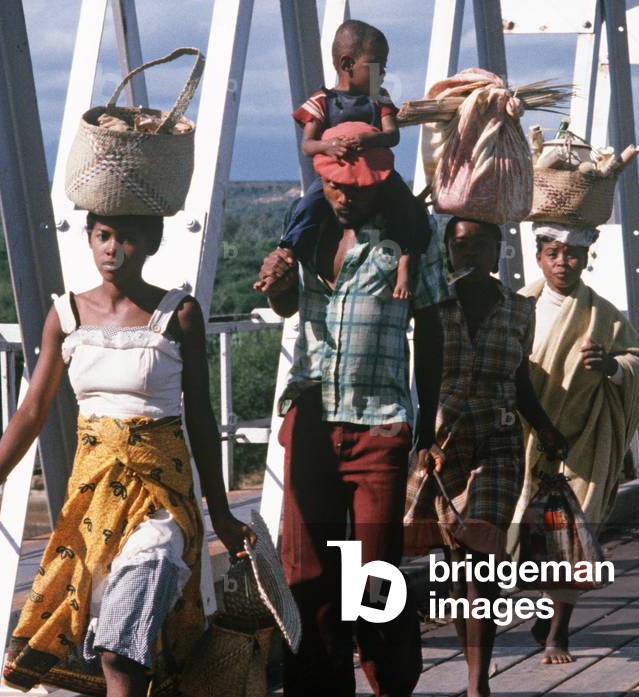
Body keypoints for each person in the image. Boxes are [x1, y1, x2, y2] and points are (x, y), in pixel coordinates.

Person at [0, 213, 254, 697]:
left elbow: (200, 417)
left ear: (152, 242)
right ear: (90, 240)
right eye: (103, 236)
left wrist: (219, 512)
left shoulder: (179, 314)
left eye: (127, 238)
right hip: (93, 503)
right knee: (116, 650)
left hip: (161, 502)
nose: (112, 249)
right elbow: (32, 409)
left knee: (120, 647)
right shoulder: (66, 316)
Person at [255, 131, 447, 697]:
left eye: (355, 189)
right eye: (333, 185)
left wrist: (428, 422)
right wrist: (278, 285)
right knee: (306, 574)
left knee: (374, 577)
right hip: (312, 420)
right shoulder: (307, 235)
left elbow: (431, 329)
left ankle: (391, 683)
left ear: (381, 183)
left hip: (378, 423)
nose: (343, 197)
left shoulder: (408, 244)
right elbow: (287, 305)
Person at [404, 218, 567, 697]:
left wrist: (545, 427)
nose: (470, 252)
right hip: (444, 441)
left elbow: (517, 380)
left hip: (498, 439)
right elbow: (423, 379)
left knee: (480, 556)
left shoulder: (520, 310)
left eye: (481, 243)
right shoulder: (432, 308)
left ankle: (477, 684)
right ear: (447, 253)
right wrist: (422, 442)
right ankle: (475, 661)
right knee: (456, 562)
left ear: (499, 251)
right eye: (460, 244)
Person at [510, 222, 639, 665]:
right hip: (527, 438)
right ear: (538, 256)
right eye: (552, 253)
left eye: (572, 255)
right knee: (519, 533)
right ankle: (544, 610)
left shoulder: (603, 315)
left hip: (584, 439)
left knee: (573, 535)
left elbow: (638, 364)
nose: (562, 263)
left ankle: (558, 632)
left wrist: (610, 366)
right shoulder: (517, 309)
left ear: (585, 259)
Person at [264, 18, 430, 300]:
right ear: (347, 64)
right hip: (336, 176)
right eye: (377, 65)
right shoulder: (322, 100)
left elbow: (392, 136)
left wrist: (370, 139)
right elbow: (308, 144)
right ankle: (288, 248)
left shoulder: (380, 99)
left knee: (410, 208)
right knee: (305, 207)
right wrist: (328, 146)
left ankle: (407, 260)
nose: (383, 73)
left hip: (377, 176)